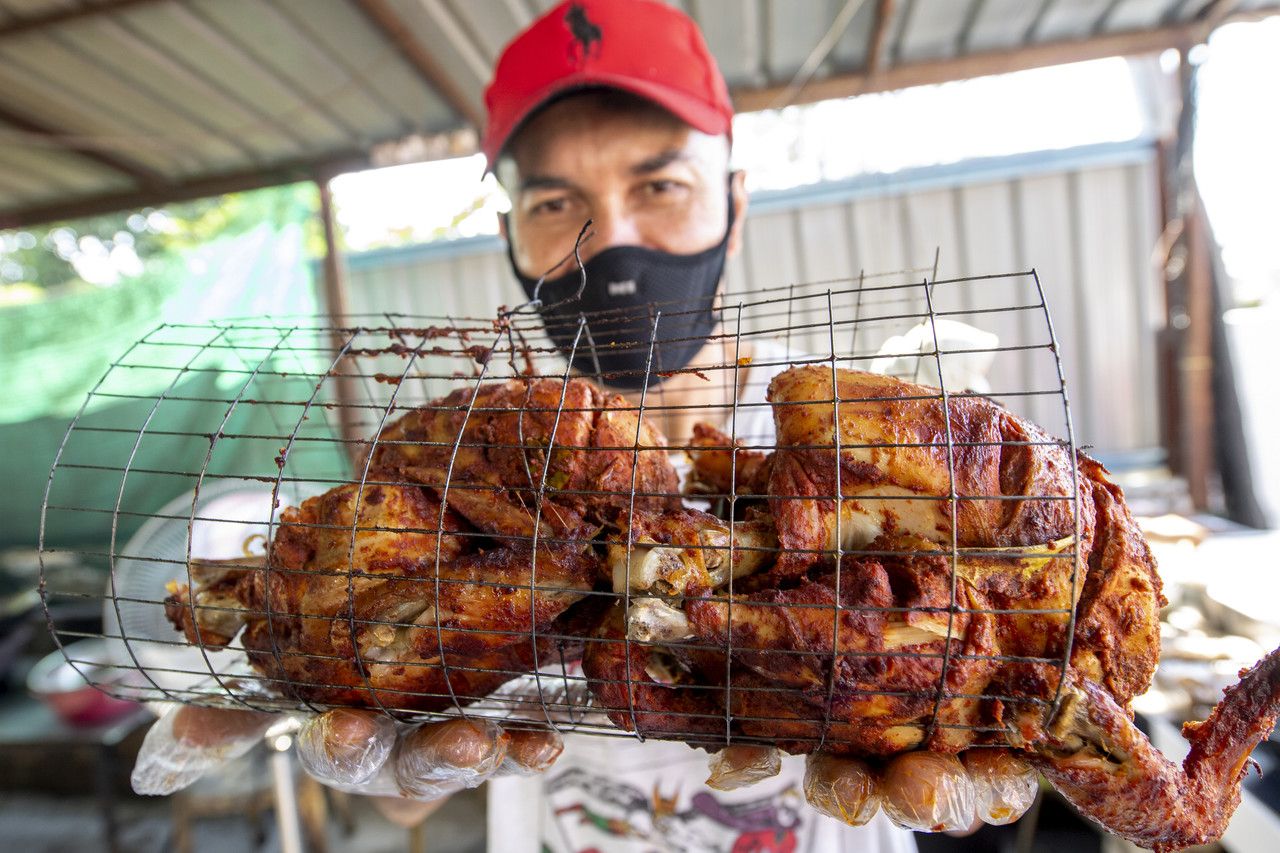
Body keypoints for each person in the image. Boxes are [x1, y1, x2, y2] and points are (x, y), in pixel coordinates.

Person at [132, 2, 1034, 849]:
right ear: (510, 234)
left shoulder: (868, 432)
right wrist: (394, 757)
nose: (607, 242)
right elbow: (412, 784)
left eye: (660, 183)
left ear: (736, 201)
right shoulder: (465, 466)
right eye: (556, 203)